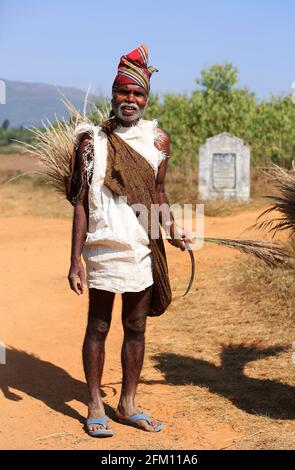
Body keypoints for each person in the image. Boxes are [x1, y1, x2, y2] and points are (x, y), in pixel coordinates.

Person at [67, 45, 192, 437]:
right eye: (124, 92)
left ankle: (127, 404)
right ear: (113, 94)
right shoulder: (91, 141)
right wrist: (75, 260)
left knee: (136, 326)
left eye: (137, 94)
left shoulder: (157, 140)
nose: (130, 100)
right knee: (99, 325)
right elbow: (82, 204)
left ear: (147, 98)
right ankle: (93, 405)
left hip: (141, 248)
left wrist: (171, 229)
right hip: (103, 247)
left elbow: (158, 193)